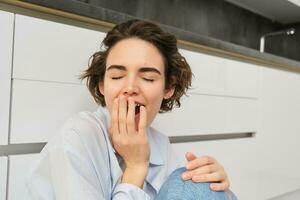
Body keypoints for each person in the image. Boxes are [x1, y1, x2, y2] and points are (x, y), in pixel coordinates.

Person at [27, 19, 236, 199]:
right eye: (117, 76)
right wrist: (135, 167)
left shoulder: (160, 145)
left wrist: (219, 186)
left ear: (168, 88)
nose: (129, 88)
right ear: (102, 85)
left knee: (200, 185)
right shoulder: (77, 137)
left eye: (148, 78)